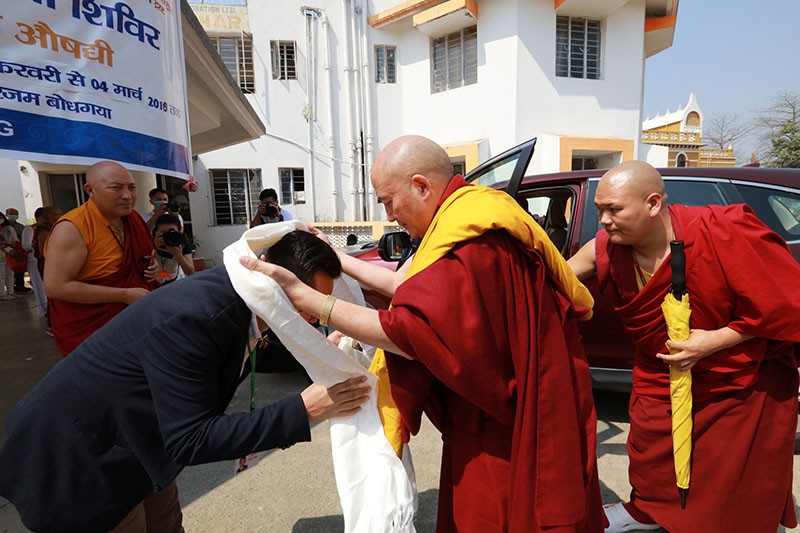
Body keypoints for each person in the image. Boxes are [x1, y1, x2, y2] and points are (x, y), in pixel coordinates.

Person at [241, 135, 605, 532]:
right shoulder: (464, 215)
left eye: (388, 201)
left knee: (503, 512)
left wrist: (308, 299)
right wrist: (338, 259)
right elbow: (408, 286)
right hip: (496, 404)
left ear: (421, 185)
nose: (390, 215)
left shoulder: (474, 241)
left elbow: (409, 332)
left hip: (514, 412)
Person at [0, 231, 371, 532]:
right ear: (275, 282)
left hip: (143, 446)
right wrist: (303, 410)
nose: (311, 319)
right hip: (82, 460)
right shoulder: (195, 318)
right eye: (306, 305)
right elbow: (190, 439)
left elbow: (245, 347)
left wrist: (320, 348)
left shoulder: (243, 293)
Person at [567, 161, 800, 533]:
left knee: (730, 469)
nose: (604, 221)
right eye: (599, 210)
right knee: (650, 451)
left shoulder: (722, 231)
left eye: (613, 210)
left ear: (654, 204)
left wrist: (714, 340)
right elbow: (558, 279)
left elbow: (787, 304)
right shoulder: (607, 249)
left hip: (733, 379)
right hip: (660, 375)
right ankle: (650, 511)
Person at [44, 161, 152, 356]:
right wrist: (124, 295)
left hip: (134, 317)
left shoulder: (132, 218)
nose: (127, 196)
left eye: (132, 187)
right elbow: (55, 287)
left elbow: (141, 258)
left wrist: (152, 267)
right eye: (116, 188)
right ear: (90, 190)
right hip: (92, 324)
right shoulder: (72, 228)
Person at [147, 214, 195, 285]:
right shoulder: (148, 242)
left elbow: (191, 272)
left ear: (179, 232)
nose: (168, 236)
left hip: (175, 282)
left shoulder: (181, 243)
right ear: (155, 232)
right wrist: (153, 249)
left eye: (172, 233)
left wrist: (179, 256)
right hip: (153, 284)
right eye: (163, 233)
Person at [21, 208, 48, 316]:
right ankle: (44, 309)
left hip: (46, 259)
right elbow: (25, 245)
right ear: (38, 218)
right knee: (39, 286)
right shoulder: (30, 229)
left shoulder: (50, 228)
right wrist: (36, 245)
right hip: (34, 260)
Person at [5, 207, 29, 293]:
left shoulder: (20, 226)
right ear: (7, 215)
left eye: (15, 214)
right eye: (11, 214)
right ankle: (12, 289)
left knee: (20, 269)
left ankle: (20, 286)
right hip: (8, 250)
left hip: (20, 249)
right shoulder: (5, 227)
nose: (13, 216)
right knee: (9, 272)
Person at [0, 211, 21, 300]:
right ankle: (2, 293)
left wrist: (10, 243)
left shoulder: (8, 228)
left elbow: (15, 240)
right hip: (1, 253)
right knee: (1, 274)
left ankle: (11, 291)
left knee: (10, 274)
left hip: (9, 252)